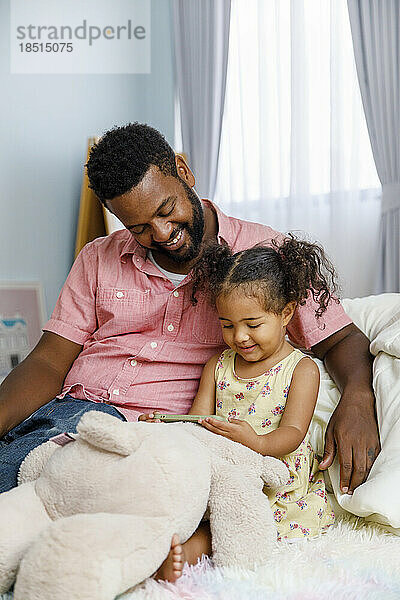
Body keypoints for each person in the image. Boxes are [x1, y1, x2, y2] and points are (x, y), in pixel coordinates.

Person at [0, 123, 378, 506]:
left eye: (166, 210)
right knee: (18, 475)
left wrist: (359, 397)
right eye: (139, 228)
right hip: (67, 417)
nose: (162, 234)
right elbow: (48, 361)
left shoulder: (264, 255)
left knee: (52, 497)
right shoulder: (98, 257)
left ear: (184, 171)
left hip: (152, 436)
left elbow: (341, 337)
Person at [140, 237, 338, 579]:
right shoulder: (217, 365)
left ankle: (183, 556)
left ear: (286, 313)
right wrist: (164, 425)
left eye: (253, 324)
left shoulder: (300, 369)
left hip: (272, 476)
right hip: (222, 467)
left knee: (230, 517)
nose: (240, 337)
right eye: (227, 325)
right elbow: (198, 421)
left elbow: (292, 433)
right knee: (180, 494)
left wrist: (257, 443)